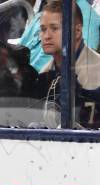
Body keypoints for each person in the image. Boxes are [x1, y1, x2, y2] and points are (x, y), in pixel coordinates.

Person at [33, 0, 100, 128]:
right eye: (43, 29)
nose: (46, 36)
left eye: (54, 28)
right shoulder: (44, 73)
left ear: (78, 31)